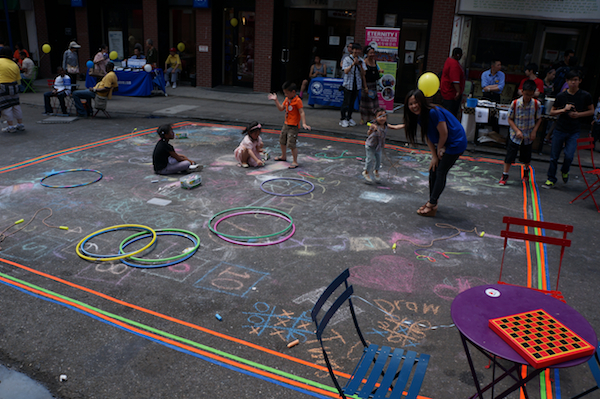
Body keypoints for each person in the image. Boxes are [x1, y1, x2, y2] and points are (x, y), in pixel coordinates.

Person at [404, 89, 467, 216]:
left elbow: (444, 133)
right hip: (445, 142)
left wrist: (440, 148)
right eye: (410, 104)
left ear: (422, 101)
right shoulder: (419, 117)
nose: (414, 106)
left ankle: (432, 204)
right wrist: (434, 156)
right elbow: (428, 136)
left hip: (456, 142)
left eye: (416, 102)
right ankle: (433, 202)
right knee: (433, 169)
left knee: (440, 171)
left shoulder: (433, 112)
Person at [543, 70, 594, 189]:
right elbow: (552, 112)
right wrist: (563, 110)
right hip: (560, 128)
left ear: (580, 81)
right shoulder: (561, 96)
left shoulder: (585, 95)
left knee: (569, 155)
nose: (573, 83)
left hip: (574, 130)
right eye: (571, 80)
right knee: (554, 156)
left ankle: (565, 170)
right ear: (567, 81)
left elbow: (591, 111)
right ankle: (551, 178)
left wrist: (578, 115)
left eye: (576, 80)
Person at [498, 80, 542, 186]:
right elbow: (510, 119)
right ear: (522, 92)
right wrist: (517, 130)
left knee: (526, 156)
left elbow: (539, 119)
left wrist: (534, 131)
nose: (528, 97)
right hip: (515, 134)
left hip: (528, 134)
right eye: (526, 94)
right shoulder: (515, 103)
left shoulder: (536, 104)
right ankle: (505, 174)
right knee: (510, 155)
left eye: (531, 95)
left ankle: (526, 172)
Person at [268, 81, 311, 169]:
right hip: (286, 123)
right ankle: (283, 156)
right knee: (282, 140)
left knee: (291, 144)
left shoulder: (297, 101)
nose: (286, 95)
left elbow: (302, 112)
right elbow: (281, 108)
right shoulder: (287, 99)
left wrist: (304, 123)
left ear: (293, 92)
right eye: (285, 93)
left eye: (287, 93)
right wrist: (276, 100)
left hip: (293, 125)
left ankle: (295, 161)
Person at [362, 108, 404, 183]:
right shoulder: (374, 125)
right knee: (370, 160)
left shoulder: (386, 125)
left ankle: (376, 171)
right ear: (375, 118)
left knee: (379, 160)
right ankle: (366, 172)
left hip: (379, 146)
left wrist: (405, 125)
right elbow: (368, 134)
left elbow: (395, 127)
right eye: (380, 116)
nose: (382, 118)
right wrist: (371, 129)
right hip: (370, 145)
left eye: (384, 116)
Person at [340, 43, 366, 127]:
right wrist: (353, 64)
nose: (357, 51)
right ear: (353, 50)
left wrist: (360, 65)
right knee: (346, 102)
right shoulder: (347, 59)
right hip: (348, 84)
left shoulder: (361, 60)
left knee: (352, 102)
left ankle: (349, 117)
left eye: (359, 50)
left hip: (356, 84)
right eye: (356, 49)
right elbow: (345, 71)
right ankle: (343, 119)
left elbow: (364, 73)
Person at [0, 47, 25, 132]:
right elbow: (18, 79)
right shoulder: (14, 64)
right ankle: (20, 124)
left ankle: (10, 126)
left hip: (2, 86)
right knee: (16, 106)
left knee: (6, 107)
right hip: (14, 85)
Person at [359, 46, 382, 124]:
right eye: (370, 53)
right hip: (367, 85)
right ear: (367, 54)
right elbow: (363, 76)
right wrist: (365, 87)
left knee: (374, 103)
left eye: (373, 53)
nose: (372, 54)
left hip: (373, 84)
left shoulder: (374, 61)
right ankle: (363, 118)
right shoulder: (364, 62)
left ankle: (371, 119)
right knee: (366, 104)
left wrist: (380, 71)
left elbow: (378, 69)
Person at [440, 47, 465, 119]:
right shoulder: (454, 65)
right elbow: (455, 80)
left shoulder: (449, 60)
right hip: (451, 94)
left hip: (446, 91)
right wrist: (458, 91)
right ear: (458, 55)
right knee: (450, 114)